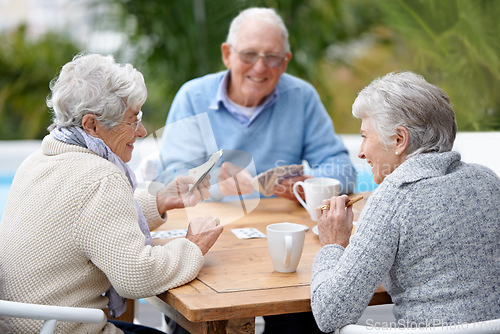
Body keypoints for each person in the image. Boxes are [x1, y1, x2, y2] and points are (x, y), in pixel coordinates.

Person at [0, 53, 223, 334]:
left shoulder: (38, 161)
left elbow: (90, 220)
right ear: (92, 125)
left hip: (21, 325)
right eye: (132, 120)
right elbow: (136, 276)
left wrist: (160, 199)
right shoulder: (100, 177)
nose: (141, 131)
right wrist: (193, 246)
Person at [311, 71, 500, 332]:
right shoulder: (488, 180)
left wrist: (332, 244)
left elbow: (329, 313)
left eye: (365, 136)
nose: (361, 151)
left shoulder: (395, 197)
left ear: (399, 140)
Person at [153, 7, 356, 204]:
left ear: (285, 62)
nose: (259, 68)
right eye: (248, 54)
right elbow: (171, 181)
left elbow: (344, 169)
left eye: (272, 57)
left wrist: (308, 183)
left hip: (281, 225)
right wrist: (217, 185)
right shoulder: (192, 97)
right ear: (227, 55)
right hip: (210, 224)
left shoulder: (302, 97)